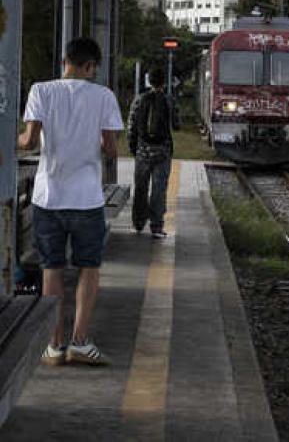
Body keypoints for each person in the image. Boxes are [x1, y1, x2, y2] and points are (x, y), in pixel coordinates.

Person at [17, 37, 124, 367]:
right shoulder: (104, 96)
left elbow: (29, 141)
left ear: (65, 60)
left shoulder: (41, 90)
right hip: (87, 199)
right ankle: (80, 341)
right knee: (88, 268)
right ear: (90, 65)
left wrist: (15, 139)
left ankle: (54, 344)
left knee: (51, 269)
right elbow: (110, 149)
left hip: (49, 198)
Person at [127, 65, 179, 239]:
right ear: (164, 82)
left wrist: (134, 148)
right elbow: (177, 125)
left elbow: (131, 127)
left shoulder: (139, 99)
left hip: (142, 152)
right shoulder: (168, 100)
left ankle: (138, 224)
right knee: (159, 189)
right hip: (163, 152)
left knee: (141, 188)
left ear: (149, 81)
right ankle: (156, 227)